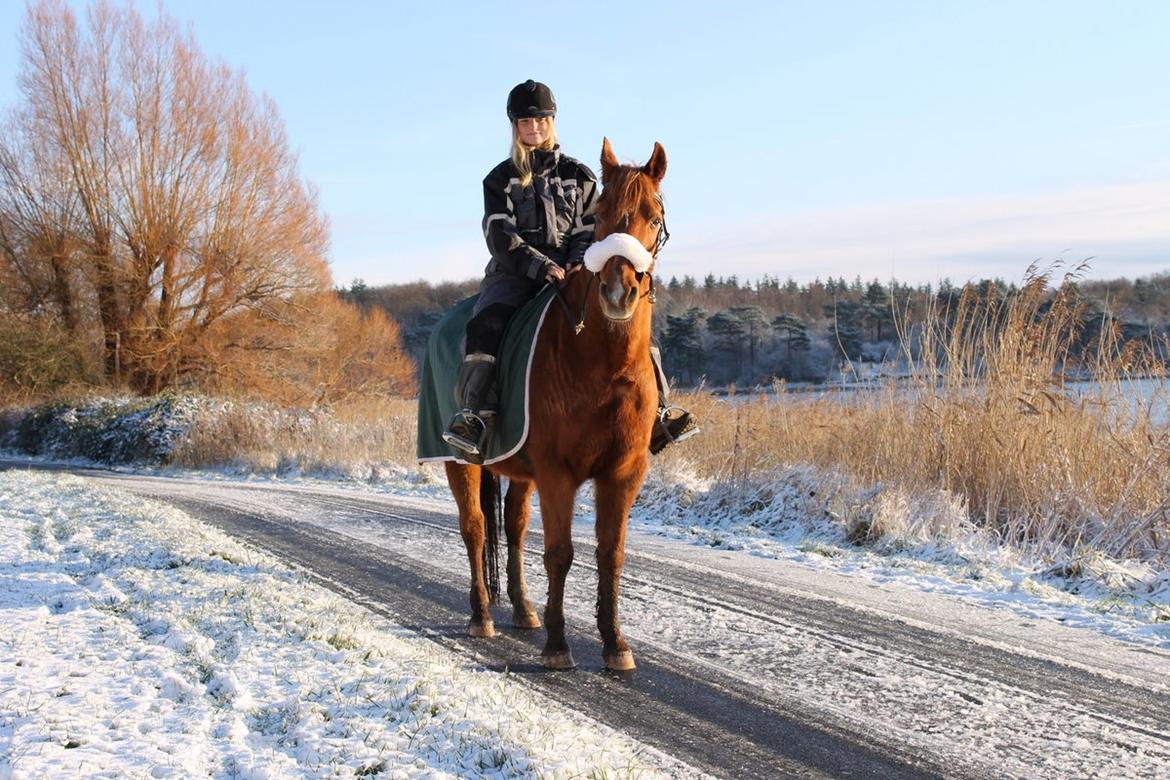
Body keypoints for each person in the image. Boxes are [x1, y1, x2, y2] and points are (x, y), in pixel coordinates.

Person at [443, 79, 697, 463]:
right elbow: (499, 234)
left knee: (632, 323)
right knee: (486, 324)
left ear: (552, 121)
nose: (534, 128)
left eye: (541, 120)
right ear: (515, 126)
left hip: (576, 270)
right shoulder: (498, 179)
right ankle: (475, 416)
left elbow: (591, 228)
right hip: (514, 274)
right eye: (526, 121)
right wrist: (539, 265)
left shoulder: (579, 175)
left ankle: (659, 410)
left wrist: (576, 262)